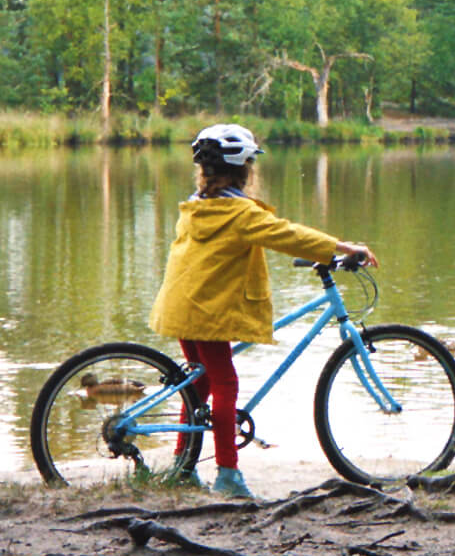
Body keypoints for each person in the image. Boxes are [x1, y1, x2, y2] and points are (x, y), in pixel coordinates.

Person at [150, 123, 379, 497]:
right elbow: (288, 235)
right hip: (205, 313)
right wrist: (342, 246)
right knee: (225, 383)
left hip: (182, 307)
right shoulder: (239, 212)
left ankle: (183, 465)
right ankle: (227, 474)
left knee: (200, 384)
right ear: (244, 169)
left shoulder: (196, 205)